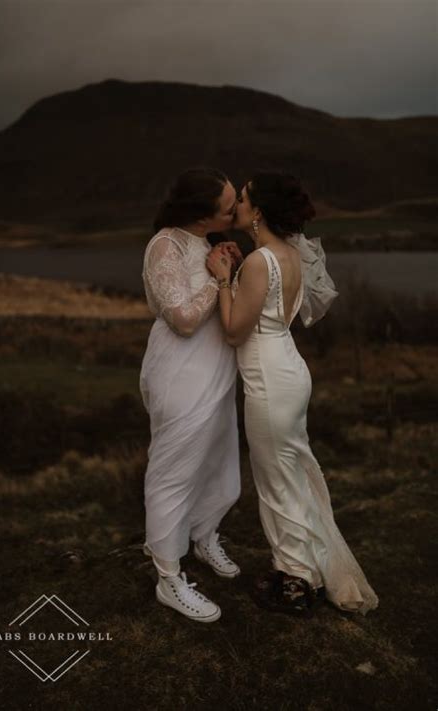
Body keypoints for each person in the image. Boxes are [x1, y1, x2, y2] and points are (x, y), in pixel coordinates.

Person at [206, 171, 379, 617]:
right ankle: (305, 569)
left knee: (275, 480)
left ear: (258, 210)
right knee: (291, 475)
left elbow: (231, 331)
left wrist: (222, 277)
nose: (237, 204)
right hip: (288, 369)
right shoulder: (289, 255)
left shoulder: (261, 260)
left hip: (268, 378)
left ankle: (295, 581)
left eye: (243, 198)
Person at [140, 167, 244, 623]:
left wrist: (219, 263)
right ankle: (168, 577)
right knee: (174, 470)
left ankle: (204, 536)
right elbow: (182, 318)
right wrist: (219, 279)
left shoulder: (202, 243)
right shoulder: (165, 244)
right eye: (227, 204)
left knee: (220, 461)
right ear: (202, 214)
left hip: (216, 369)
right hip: (181, 373)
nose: (236, 207)